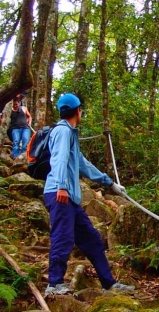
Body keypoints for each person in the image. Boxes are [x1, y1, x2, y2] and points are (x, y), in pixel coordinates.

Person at [43, 92, 135, 297]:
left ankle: (108, 283)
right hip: (60, 193)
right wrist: (61, 186)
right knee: (63, 238)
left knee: (92, 239)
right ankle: (54, 284)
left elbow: (83, 164)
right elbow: (58, 159)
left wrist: (110, 183)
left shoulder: (70, 134)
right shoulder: (63, 132)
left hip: (69, 197)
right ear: (78, 111)